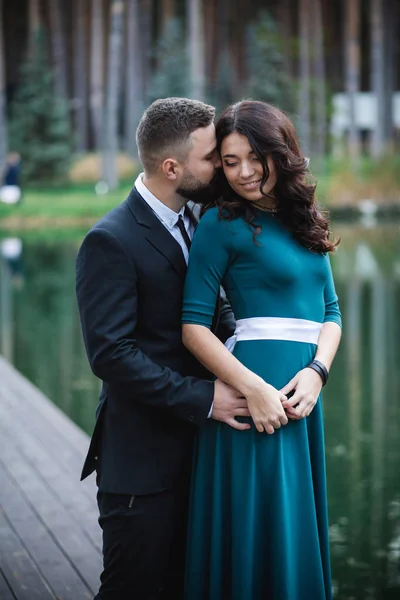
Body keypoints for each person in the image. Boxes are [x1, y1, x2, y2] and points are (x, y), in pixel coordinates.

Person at [76, 97, 251, 600]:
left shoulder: (197, 221)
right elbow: (110, 354)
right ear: (172, 167)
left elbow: (212, 311)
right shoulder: (110, 240)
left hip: (199, 452)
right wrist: (207, 398)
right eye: (212, 157)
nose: (220, 166)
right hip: (141, 465)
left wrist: (252, 349)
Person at [182, 100, 342, 600]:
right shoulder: (221, 223)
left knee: (293, 528)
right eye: (230, 162)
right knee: (256, 529)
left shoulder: (305, 217)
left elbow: (332, 314)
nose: (245, 172)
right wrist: (253, 390)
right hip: (255, 397)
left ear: (281, 152)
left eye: (255, 157)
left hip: (302, 395)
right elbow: (193, 327)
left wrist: (317, 372)